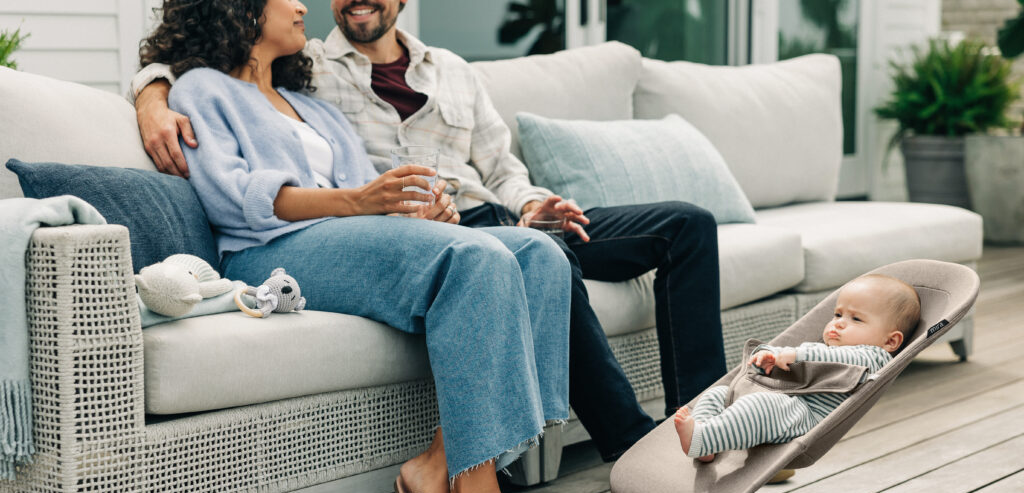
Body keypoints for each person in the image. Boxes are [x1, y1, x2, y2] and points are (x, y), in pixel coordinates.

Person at [132, 0, 727, 464]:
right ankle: (630, 446)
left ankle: (703, 426)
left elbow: (500, 166)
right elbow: (194, 64)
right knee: (535, 257)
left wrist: (532, 204)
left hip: (484, 212)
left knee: (682, 226)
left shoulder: (443, 73)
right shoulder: (314, 67)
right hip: (370, 229)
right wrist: (151, 95)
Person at [142, 0, 593, 493]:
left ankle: (433, 467)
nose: (303, 5)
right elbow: (233, 196)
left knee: (540, 254)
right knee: (476, 257)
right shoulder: (203, 90)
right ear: (241, 11)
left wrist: (415, 217)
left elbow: (366, 198)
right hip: (270, 250)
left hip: (349, 239)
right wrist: (360, 203)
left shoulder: (312, 108)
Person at [674, 274, 921, 462]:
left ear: (891, 341)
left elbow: (835, 360)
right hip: (782, 399)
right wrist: (770, 362)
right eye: (837, 315)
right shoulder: (825, 348)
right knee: (720, 394)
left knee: (758, 406)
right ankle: (706, 440)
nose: (839, 324)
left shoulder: (874, 357)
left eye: (855, 319)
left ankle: (702, 439)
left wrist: (795, 354)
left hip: (805, 417)